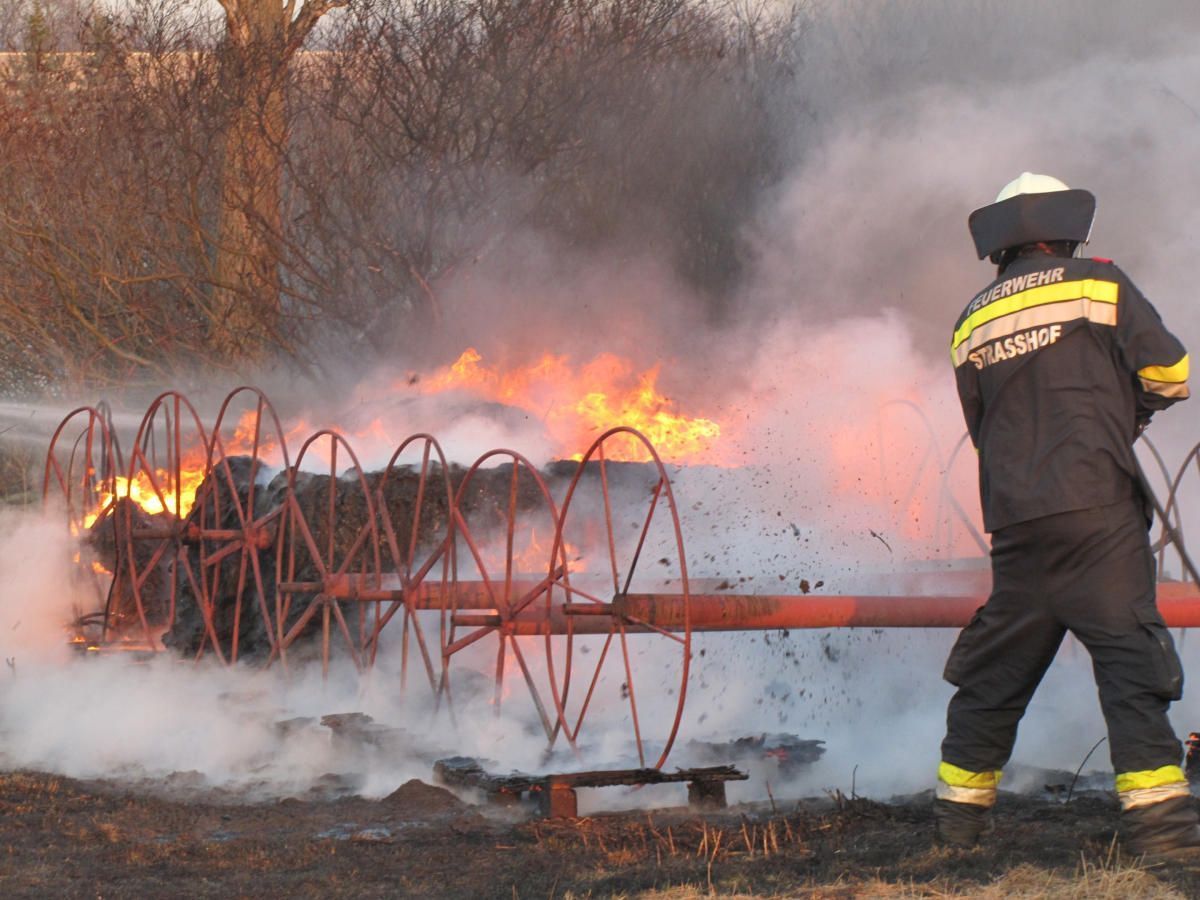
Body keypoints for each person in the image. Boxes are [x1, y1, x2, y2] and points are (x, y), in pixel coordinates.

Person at [935, 172, 1196, 858]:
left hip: (1017, 521)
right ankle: (1166, 837)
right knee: (1131, 667)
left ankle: (956, 830)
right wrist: (1126, 414)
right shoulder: (1098, 284)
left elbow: (982, 426)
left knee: (995, 676)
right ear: (1066, 229)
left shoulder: (971, 318)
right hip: (1097, 512)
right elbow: (1171, 373)